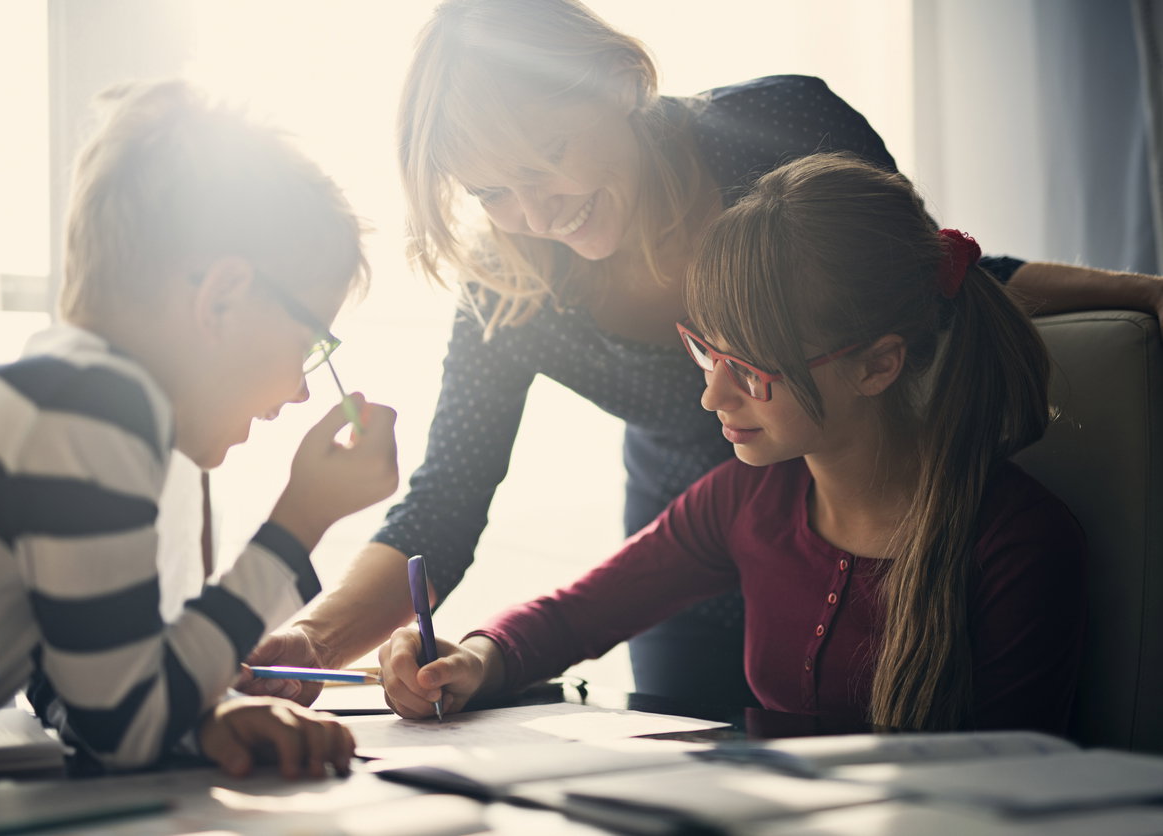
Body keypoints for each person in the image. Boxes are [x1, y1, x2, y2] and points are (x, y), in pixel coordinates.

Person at [243, 0, 1157, 706]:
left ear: (615, 82)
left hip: (881, 517)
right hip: (699, 527)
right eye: (495, 192)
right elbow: (448, 499)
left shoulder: (777, 132)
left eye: (550, 156)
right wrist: (315, 643)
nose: (540, 211)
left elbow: (931, 274)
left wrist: (1146, 297)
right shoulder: (514, 280)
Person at [378, 152, 1088, 733]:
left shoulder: (1016, 543)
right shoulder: (749, 498)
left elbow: (1008, 790)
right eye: (706, 353)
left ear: (878, 364)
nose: (712, 396)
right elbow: (573, 614)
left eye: (748, 370)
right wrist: (470, 660)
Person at [0, 80, 399, 778]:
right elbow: (123, 726)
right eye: (307, 342)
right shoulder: (92, 416)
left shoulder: (57, 397)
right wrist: (297, 525)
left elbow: (77, 684)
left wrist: (198, 719)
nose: (300, 390)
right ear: (222, 297)